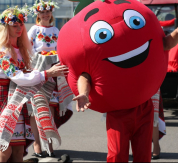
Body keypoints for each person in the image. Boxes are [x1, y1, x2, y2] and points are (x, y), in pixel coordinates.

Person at [72, 26, 178, 162]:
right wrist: (83, 93)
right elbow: (86, 73)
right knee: (117, 155)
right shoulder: (102, 46)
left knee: (143, 157)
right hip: (117, 111)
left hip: (144, 107)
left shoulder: (141, 40)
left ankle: (156, 148)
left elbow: (166, 43)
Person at [0, 6, 68, 162]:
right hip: (2, 100)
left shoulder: (22, 49)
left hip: (17, 100)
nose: (19, 28)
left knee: (19, 150)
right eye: (14, 25)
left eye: (21, 24)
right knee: (4, 150)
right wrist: (46, 73)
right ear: (5, 27)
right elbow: (17, 76)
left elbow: (29, 72)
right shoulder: (2, 50)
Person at [28, 0, 73, 158]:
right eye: (42, 12)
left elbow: (62, 48)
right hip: (38, 70)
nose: (46, 14)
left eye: (48, 12)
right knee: (35, 110)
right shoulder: (34, 29)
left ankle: (50, 142)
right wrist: (40, 58)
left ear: (51, 13)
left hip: (53, 71)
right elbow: (28, 49)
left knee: (52, 107)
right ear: (38, 14)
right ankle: (37, 144)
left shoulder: (56, 30)